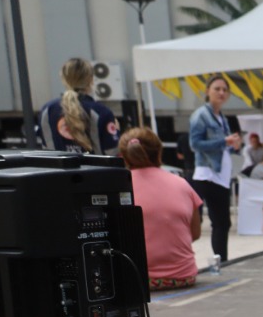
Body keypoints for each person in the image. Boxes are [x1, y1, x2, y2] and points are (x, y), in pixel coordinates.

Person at [119, 127, 202, 290]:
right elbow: (195, 234)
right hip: (184, 277)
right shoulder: (182, 184)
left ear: (123, 156)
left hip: (136, 280)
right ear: (159, 153)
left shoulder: (119, 188)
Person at [187, 75, 241, 264]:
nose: (221, 93)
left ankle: (222, 261)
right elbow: (195, 144)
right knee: (197, 220)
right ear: (207, 91)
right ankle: (187, 259)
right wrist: (224, 141)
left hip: (220, 176)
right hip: (206, 174)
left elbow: (219, 144)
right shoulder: (202, 114)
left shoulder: (221, 117)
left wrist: (232, 144)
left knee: (223, 222)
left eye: (225, 90)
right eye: (217, 88)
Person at [36, 58, 120, 155]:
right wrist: (116, 131)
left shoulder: (47, 110)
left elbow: (45, 148)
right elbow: (112, 152)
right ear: (91, 80)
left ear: (64, 79)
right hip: (96, 170)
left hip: (58, 170)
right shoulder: (101, 112)